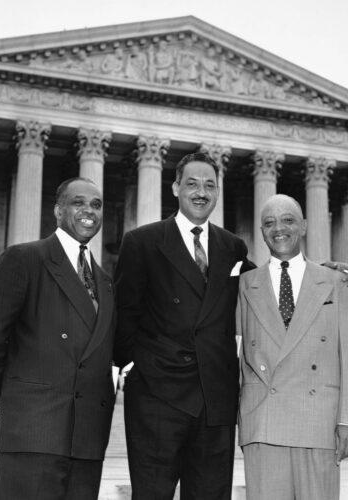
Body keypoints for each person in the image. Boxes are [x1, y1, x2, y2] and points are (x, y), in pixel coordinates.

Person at [115, 152, 255, 499]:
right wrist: (138, 368)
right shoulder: (142, 241)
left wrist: (314, 270)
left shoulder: (232, 247)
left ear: (217, 193)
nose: (201, 192)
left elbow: (264, 285)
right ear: (176, 187)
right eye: (192, 183)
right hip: (157, 398)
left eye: (210, 185)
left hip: (214, 400)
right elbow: (124, 313)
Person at [0, 177, 116, 500]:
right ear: (58, 211)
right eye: (78, 202)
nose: (88, 211)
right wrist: (12, 399)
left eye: (96, 204)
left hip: (87, 441)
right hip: (34, 434)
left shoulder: (105, 282)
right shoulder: (24, 259)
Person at [236, 194, 348, 500]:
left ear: (304, 226)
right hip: (263, 422)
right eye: (269, 222)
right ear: (261, 230)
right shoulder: (244, 284)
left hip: (319, 420)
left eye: (288, 220)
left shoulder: (333, 282)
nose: (279, 228)